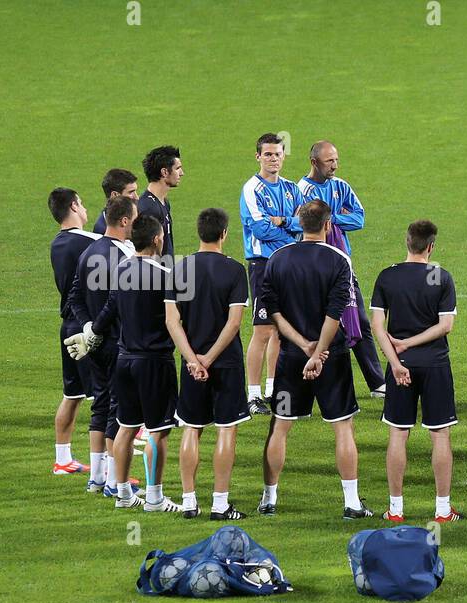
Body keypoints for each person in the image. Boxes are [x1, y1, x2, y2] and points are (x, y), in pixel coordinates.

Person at [258, 199, 368, 519]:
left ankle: (269, 499)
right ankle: (351, 503)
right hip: (330, 356)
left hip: (292, 355)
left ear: (299, 223)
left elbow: (273, 312)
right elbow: (336, 313)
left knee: (279, 427)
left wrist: (303, 345)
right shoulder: (339, 260)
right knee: (343, 427)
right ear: (328, 224)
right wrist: (318, 351)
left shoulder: (277, 259)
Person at [82, 215, 185, 512]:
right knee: (158, 431)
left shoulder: (121, 270)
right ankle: (154, 497)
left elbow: (108, 312)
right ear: (156, 239)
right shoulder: (167, 275)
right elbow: (177, 321)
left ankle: (123, 493)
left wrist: (91, 334)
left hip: (124, 361)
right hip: (154, 362)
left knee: (125, 427)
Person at [370, 220, 462, 523]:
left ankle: (395, 510)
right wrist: (411, 343)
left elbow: (377, 327)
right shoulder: (441, 276)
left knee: (398, 434)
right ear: (431, 247)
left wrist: (396, 361)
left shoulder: (388, 276)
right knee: (440, 436)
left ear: (407, 243)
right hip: (435, 365)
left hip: (401, 367)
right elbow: (445, 325)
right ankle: (442, 509)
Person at [167, 208, 251, 519]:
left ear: (199, 232)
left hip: (191, 365)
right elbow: (233, 324)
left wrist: (193, 360)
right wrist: (209, 359)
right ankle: (219, 504)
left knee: (191, 427)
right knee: (226, 430)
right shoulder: (234, 270)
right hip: (226, 362)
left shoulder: (180, 268)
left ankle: (189, 502)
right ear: (224, 234)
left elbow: (172, 320)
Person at [63, 195, 138, 497]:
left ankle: (96, 477)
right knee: (117, 410)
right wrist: (96, 329)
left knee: (101, 404)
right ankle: (111, 482)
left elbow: (74, 298)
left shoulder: (89, 251)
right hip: (115, 341)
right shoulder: (122, 257)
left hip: (93, 343)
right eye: (134, 219)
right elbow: (116, 302)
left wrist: (86, 329)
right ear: (123, 221)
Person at [298, 140, 386, 398]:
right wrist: (333, 218)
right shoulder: (301, 190)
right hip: (312, 267)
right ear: (314, 162)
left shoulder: (340, 186)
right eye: (329, 161)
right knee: (313, 325)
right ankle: (307, 387)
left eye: (336, 160)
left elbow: (359, 218)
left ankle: (377, 382)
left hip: (342, 265)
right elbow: (300, 224)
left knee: (359, 321)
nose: (334, 166)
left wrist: (331, 218)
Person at [241, 133, 304, 415]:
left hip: (289, 264)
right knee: (263, 330)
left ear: (283, 155)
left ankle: (272, 387)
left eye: (277, 154)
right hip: (264, 265)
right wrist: (289, 237)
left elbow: (304, 222)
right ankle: (253, 395)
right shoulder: (251, 189)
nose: (273, 158)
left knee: (282, 330)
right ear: (258, 157)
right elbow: (260, 228)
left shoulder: (293, 188)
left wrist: (286, 222)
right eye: (267, 154)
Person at [48, 188, 100, 477]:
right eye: (81, 202)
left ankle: (63, 459)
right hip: (86, 328)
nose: (85, 208)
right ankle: (106, 470)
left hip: (67, 326)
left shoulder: (57, 243)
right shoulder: (89, 241)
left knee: (73, 393)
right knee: (103, 400)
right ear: (73, 206)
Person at [138, 145, 182, 258]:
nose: (181, 173)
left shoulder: (164, 202)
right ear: (165, 172)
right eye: (177, 168)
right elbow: (147, 253)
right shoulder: (149, 208)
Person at [91, 168, 139, 233]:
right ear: (115, 195)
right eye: (131, 192)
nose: (136, 197)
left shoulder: (135, 212)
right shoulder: (103, 230)